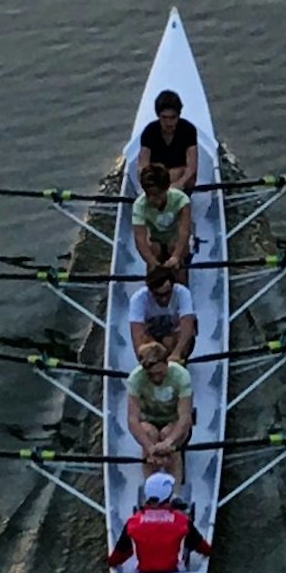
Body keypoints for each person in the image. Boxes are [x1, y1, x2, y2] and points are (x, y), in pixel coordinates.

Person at [109, 470, 211, 573]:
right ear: (169, 496)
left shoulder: (132, 523)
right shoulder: (182, 522)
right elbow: (204, 548)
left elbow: (117, 557)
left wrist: (109, 562)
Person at [126, 334, 195, 479]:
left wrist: (168, 443)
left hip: (173, 421)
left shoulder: (181, 376)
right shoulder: (135, 379)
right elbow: (132, 420)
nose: (156, 378)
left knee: (167, 436)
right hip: (149, 422)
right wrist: (150, 447)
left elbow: (185, 418)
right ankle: (150, 491)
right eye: (151, 375)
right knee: (148, 434)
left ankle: (175, 495)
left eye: (159, 373)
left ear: (166, 363)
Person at [130, 158, 192, 290]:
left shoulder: (181, 200)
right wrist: (153, 263)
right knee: (153, 250)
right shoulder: (139, 205)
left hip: (176, 241)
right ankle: (154, 289)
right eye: (148, 194)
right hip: (157, 240)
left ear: (166, 189)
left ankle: (182, 287)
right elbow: (140, 239)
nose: (151, 199)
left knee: (174, 250)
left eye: (156, 195)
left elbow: (184, 232)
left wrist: (176, 256)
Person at [129, 265, 195, 365]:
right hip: (152, 340)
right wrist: (143, 359)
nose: (164, 299)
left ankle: (176, 363)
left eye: (167, 293)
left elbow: (187, 325)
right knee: (148, 346)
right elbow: (137, 334)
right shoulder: (138, 299)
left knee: (177, 337)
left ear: (173, 287)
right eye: (158, 295)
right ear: (150, 291)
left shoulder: (183, 293)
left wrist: (177, 353)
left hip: (173, 337)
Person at [135, 88, 200, 190]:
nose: (168, 123)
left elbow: (192, 168)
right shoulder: (149, 131)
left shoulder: (188, 130)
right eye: (164, 118)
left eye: (173, 118)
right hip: (157, 179)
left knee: (184, 174)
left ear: (178, 116)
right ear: (158, 116)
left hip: (180, 180)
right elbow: (143, 165)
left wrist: (178, 184)